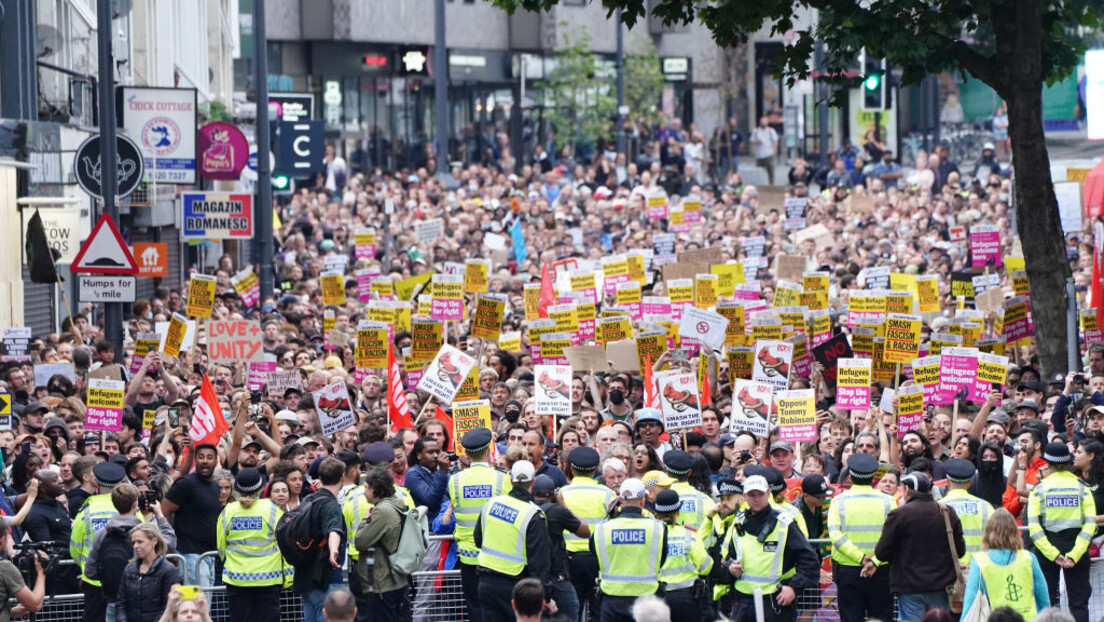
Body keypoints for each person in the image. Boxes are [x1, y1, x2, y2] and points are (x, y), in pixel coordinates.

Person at [719, 475, 820, 622]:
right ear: (744, 496)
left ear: (768, 493)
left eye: (760, 494)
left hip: (774, 602)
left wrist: (793, 588)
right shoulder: (738, 522)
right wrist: (729, 568)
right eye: (752, 495)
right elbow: (725, 558)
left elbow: (810, 562)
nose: (756, 499)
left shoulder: (784, 523)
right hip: (743, 602)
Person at [875, 472, 966, 622]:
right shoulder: (946, 512)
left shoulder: (899, 515)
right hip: (942, 586)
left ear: (907, 490)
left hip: (909, 587)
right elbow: (960, 551)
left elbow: (881, 553)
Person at [474, 460, 555, 620]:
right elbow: (539, 563)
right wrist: (545, 596)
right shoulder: (533, 514)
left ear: (511, 480)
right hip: (516, 587)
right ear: (533, 481)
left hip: (486, 583)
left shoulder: (491, 503)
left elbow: (478, 540)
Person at [1026, 442, 1097, 622]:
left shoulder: (1039, 488)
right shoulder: (1082, 487)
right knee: (1079, 604)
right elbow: (1090, 525)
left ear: (1047, 463)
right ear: (1068, 463)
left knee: (1047, 603)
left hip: (1047, 549)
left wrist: (1053, 554)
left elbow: (1034, 528)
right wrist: (1074, 554)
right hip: (1077, 548)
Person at [85, 482, 176, 621]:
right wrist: (159, 514)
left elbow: (90, 571)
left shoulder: (102, 534)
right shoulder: (145, 532)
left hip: (113, 600)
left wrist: (108, 579)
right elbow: (170, 542)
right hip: (147, 603)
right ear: (135, 504)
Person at [447, 428, 509, 622]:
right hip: (497, 556)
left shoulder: (455, 480)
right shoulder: (502, 478)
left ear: (466, 452)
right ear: (490, 448)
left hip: (468, 557)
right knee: (499, 611)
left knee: (474, 609)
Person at [591, 478, 667, 622]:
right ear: (642, 501)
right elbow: (661, 559)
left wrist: (610, 517)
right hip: (647, 601)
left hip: (612, 600)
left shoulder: (602, 528)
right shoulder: (658, 528)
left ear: (619, 500)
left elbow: (596, 554)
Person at [217, 468, 284, 622]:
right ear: (260, 488)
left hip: (236, 578)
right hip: (269, 578)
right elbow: (284, 543)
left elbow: (221, 547)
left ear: (236, 489)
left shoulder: (228, 512)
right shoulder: (273, 510)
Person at [962, 508, 1050, 621]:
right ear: (1015, 531)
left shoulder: (979, 561)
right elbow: (1043, 599)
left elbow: (970, 603)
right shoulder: (1029, 558)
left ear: (988, 532)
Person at [558, 446, 612, 615]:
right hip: (598, 561)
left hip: (570, 561)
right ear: (595, 469)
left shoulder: (561, 494)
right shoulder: (608, 494)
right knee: (598, 611)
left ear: (571, 468)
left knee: (572, 610)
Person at [71, 461, 127, 622]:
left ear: (97, 485)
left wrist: (85, 566)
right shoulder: (130, 508)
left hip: (93, 579)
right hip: (124, 577)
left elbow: (75, 548)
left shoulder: (86, 511)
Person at [162, 442, 222, 587]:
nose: (205, 461)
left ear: (216, 461)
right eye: (201, 457)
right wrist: (171, 546)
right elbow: (164, 511)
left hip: (210, 555)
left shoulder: (216, 486)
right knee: (196, 605)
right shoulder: (185, 484)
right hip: (190, 556)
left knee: (203, 604)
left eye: (209, 457)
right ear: (195, 460)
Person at [353, 468, 409, 622]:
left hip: (383, 584)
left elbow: (360, 541)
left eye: (366, 487)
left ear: (375, 489)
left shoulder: (382, 512)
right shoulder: (395, 505)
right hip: (394, 580)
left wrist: (365, 520)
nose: (363, 491)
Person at [294, 457, 347, 622]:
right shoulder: (331, 505)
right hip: (326, 578)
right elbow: (333, 530)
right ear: (342, 478)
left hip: (306, 578)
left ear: (321, 478)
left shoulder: (307, 500)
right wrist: (333, 550)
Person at [531, 474, 587, 622]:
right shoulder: (557, 511)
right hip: (557, 577)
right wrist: (562, 504)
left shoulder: (525, 509)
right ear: (553, 494)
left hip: (530, 577)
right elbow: (585, 531)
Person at [653, 489, 713, 622]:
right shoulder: (689, 535)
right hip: (687, 598)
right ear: (678, 512)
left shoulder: (650, 536)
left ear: (656, 513)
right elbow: (706, 567)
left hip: (657, 597)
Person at [114, 523, 180, 622]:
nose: (135, 546)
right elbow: (121, 604)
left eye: (140, 542)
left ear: (154, 541)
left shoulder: (168, 570)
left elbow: (169, 607)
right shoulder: (129, 569)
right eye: (133, 543)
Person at [942, 458, 993, 566]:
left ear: (947, 483)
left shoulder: (938, 507)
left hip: (950, 570)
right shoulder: (985, 506)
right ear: (969, 483)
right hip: (981, 568)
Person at [0, 514, 46, 619]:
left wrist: (11, 612)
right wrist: (41, 571)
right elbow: (35, 604)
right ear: (2, 541)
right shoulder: (4, 568)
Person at [662, 450, 715, 532]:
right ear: (689, 473)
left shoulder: (660, 498)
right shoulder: (707, 500)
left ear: (667, 473)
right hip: (700, 544)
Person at [750, 116, 779, 184]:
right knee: (758, 172)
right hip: (759, 155)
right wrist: (756, 141)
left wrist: (774, 151)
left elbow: (775, 141)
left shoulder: (771, 131)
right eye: (762, 122)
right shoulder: (756, 131)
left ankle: (771, 185)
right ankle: (759, 185)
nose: (763, 123)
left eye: (765, 121)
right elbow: (751, 141)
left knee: (770, 171)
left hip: (768, 154)